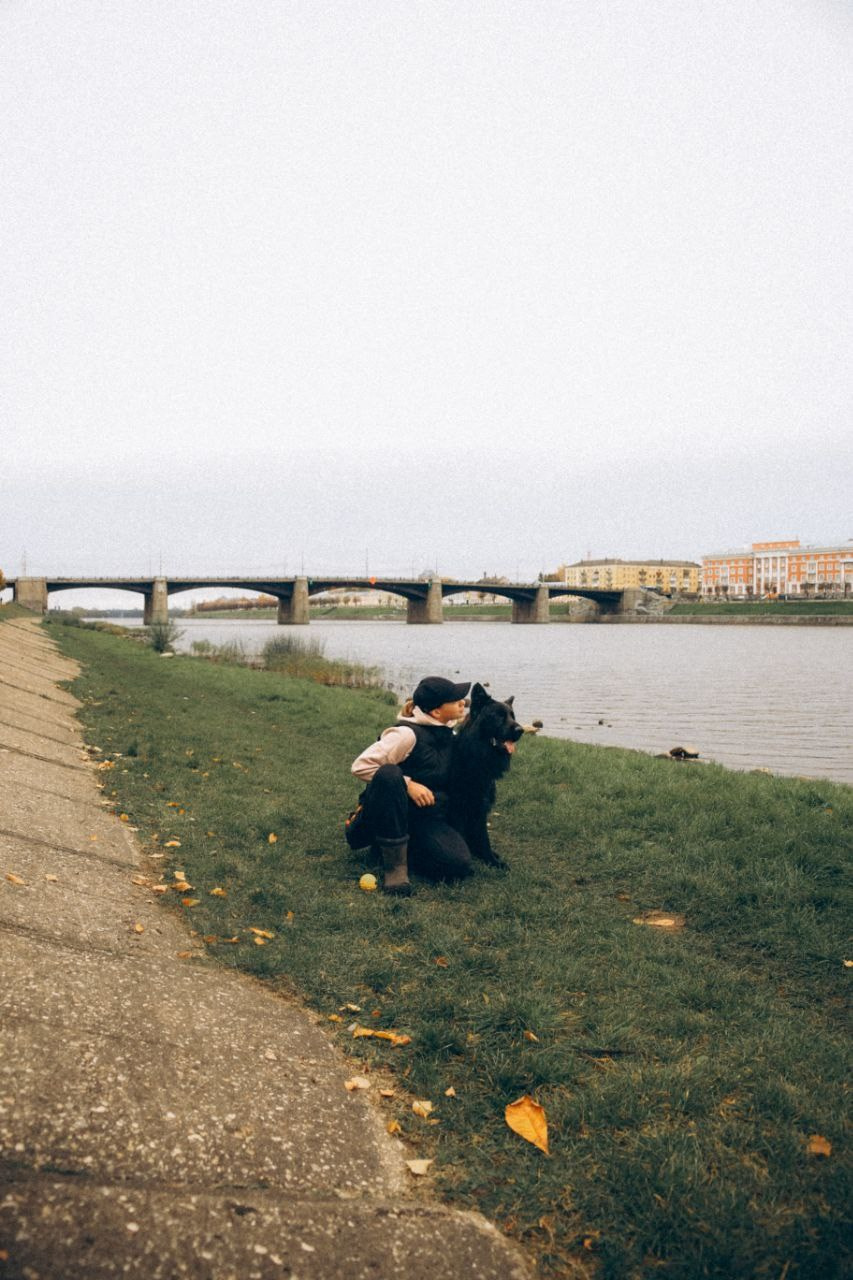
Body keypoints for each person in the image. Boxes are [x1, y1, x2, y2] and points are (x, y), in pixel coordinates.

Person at [346, 675, 474, 895]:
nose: (463, 702)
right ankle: (395, 869)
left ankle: (396, 848)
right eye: (456, 701)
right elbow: (360, 766)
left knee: (457, 865)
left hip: (423, 817)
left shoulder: (448, 733)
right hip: (388, 811)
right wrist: (408, 785)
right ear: (436, 712)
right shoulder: (405, 734)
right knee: (389, 773)